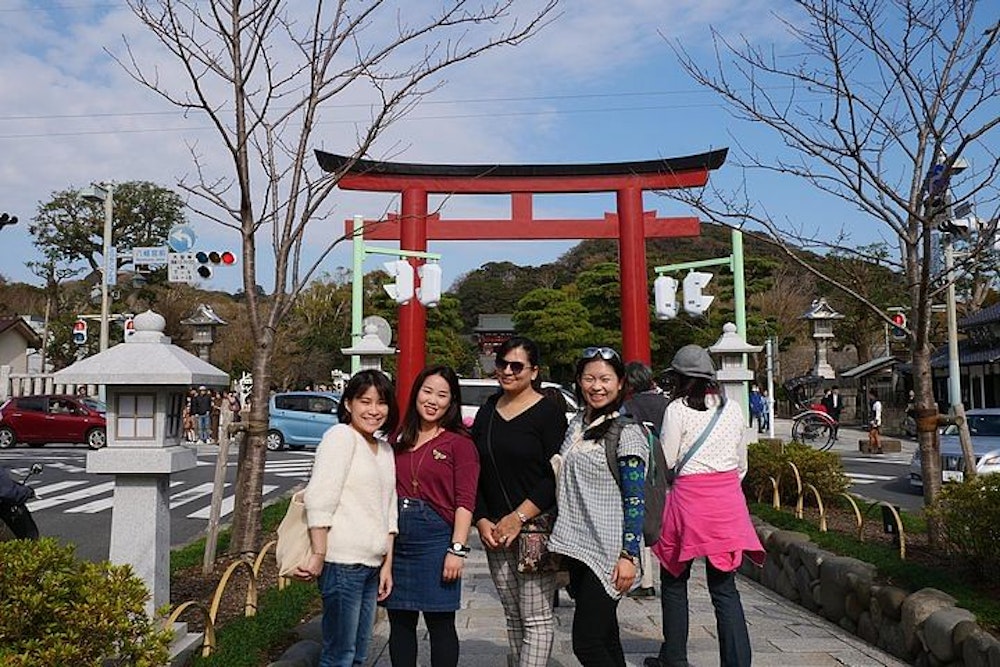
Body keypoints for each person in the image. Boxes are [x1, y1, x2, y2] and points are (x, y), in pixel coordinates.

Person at [644, 345, 765, 667]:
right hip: (727, 502)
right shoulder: (732, 407)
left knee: (674, 578)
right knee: (725, 589)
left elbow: (667, 460)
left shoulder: (677, 409)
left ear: (680, 379)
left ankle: (674, 658)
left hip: (688, 501)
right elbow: (741, 464)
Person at [548, 347, 649, 666]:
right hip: (578, 548)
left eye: (605, 378)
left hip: (608, 553)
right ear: (578, 381)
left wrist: (629, 555)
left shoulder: (627, 431)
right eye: (589, 378)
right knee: (606, 636)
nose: (596, 386)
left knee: (587, 643)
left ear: (621, 383)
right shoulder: (577, 424)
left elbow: (636, 500)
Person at [472, 336, 568, 667]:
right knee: (512, 613)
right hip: (495, 531)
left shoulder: (549, 413)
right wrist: (482, 519)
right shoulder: (486, 411)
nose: (508, 371)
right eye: (502, 364)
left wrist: (519, 517)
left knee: (537, 617)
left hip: (534, 528)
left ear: (534, 371)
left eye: (517, 366)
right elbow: (477, 471)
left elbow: (555, 475)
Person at [296, 369, 399, 667]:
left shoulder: (384, 448)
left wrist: (387, 565)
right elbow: (319, 498)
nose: (373, 410)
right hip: (342, 563)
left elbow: (388, 510)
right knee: (339, 654)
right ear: (348, 404)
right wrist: (319, 554)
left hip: (371, 564)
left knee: (358, 654)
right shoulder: (340, 437)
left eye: (381, 402)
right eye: (365, 401)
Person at [381, 366, 480, 667]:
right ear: (416, 394)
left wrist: (457, 550)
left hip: (436, 541)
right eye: (427, 391)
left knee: (440, 624)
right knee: (399, 623)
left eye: (442, 395)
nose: (433, 400)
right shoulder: (398, 438)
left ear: (452, 402)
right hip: (397, 538)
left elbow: (465, 501)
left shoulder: (460, 444)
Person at [622, 361, 668, 596]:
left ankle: (645, 579)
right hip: (667, 466)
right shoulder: (667, 404)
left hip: (640, 465)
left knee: (640, 516)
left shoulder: (629, 406)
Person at [868, 388, 883, 454]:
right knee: (876, 435)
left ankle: (871, 447)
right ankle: (879, 447)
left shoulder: (877, 403)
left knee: (871, 435)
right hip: (873, 420)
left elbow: (878, 413)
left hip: (875, 421)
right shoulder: (873, 402)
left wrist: (876, 421)